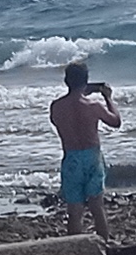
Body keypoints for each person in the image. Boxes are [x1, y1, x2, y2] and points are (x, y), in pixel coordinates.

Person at [49, 60, 121, 237]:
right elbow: (115, 121)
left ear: (66, 81)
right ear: (86, 81)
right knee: (97, 206)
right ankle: (104, 244)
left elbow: (57, 120)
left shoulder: (56, 106)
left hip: (71, 157)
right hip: (92, 157)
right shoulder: (93, 106)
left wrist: (80, 91)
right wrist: (108, 98)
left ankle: (75, 247)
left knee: (75, 210)